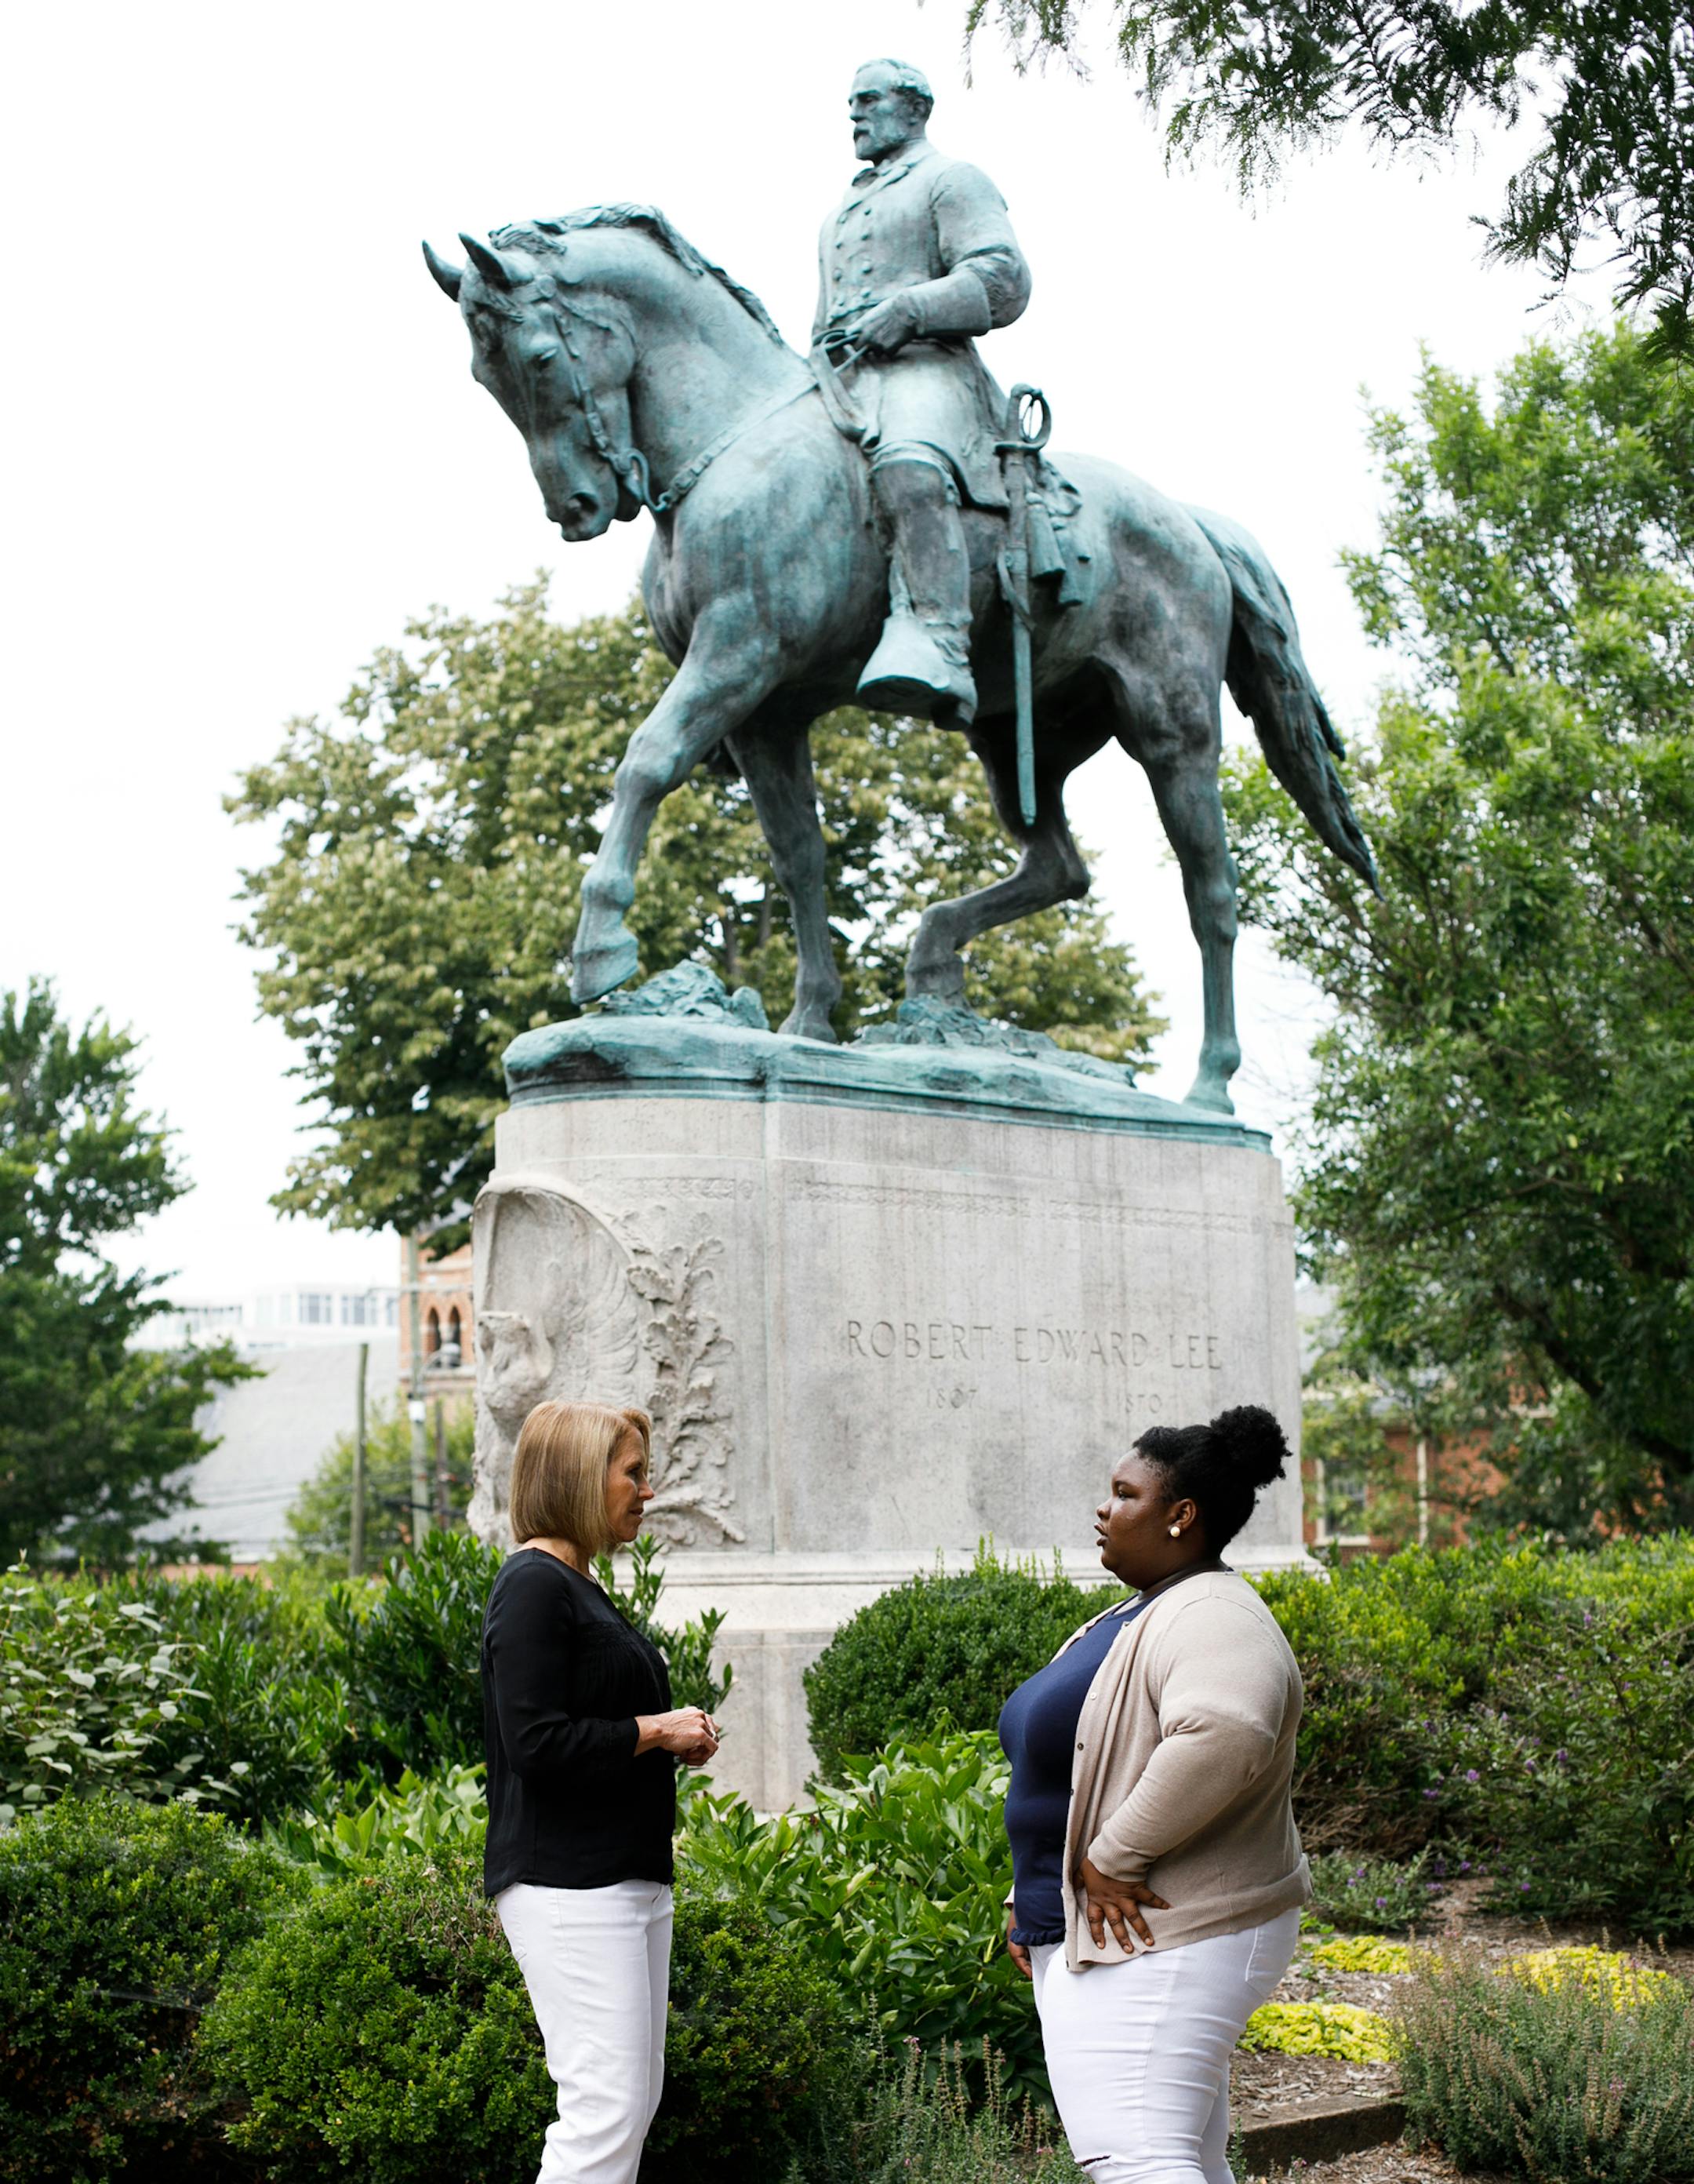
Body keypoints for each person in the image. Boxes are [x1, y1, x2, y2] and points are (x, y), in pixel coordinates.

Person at [997, 1406, 1310, 2184]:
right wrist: (1028, 1900)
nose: (1104, 1509)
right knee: (1179, 2157)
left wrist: (1109, 1858)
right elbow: (1076, 1766)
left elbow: (1227, 1735)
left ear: (1181, 1516)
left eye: (1123, 1494)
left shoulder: (1210, 1614)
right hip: (1112, 1938)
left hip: (1162, 1936)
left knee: (1135, 2160)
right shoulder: (1146, 1609)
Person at [482, 1400, 721, 2184]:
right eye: (633, 1473)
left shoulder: (576, 1585)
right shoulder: (532, 1586)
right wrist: (655, 1731)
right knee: (605, 2108)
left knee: (629, 2102)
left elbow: (591, 1726)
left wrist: (668, 1738)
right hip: (569, 1881)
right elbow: (537, 1744)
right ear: (581, 1476)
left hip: (623, 1879)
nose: (646, 1491)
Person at [815, 56, 1032, 725]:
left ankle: (941, 639)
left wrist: (910, 311)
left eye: (869, 100)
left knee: (908, 463)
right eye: (851, 102)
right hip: (845, 379)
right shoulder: (841, 211)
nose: (853, 113)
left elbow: (1003, 279)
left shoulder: (951, 179)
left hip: (928, 369)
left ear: (914, 108)